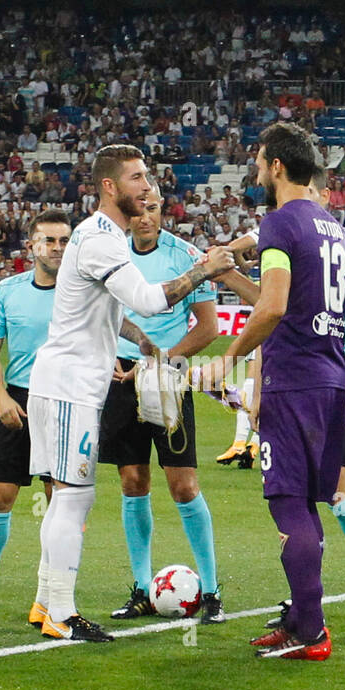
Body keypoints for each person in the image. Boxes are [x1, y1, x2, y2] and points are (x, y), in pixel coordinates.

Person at [26, 144, 235, 642]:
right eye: (137, 177)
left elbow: (108, 307)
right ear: (109, 187)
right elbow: (145, 298)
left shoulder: (102, 237)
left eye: (148, 176)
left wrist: (141, 341)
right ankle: (61, 611)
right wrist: (206, 269)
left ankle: (44, 602)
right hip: (69, 386)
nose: (147, 186)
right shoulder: (102, 238)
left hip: (71, 384)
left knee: (65, 499)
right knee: (74, 498)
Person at [217, 166, 345, 632]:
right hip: (305, 366)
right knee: (311, 495)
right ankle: (304, 605)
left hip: (337, 368)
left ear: (324, 194)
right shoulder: (304, 236)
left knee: (331, 491)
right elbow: (277, 311)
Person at [202, 122, 345, 661]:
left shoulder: (281, 223)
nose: (257, 170)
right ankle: (305, 620)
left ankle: (311, 635)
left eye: (261, 161)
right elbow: (279, 297)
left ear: (278, 167)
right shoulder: (328, 225)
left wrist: (228, 358)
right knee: (307, 504)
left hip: (294, 382)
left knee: (287, 505)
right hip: (328, 379)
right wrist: (233, 272)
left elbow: (274, 307)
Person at [103, 184, 225, 624]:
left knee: (183, 486)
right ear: (128, 212)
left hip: (167, 381)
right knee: (133, 481)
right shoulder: (111, 253)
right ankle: (140, 589)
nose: (146, 217)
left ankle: (211, 592)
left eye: (153, 209)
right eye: (139, 209)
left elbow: (208, 328)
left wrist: (160, 362)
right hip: (118, 377)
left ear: (162, 212)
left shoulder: (186, 257)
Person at [0, 209, 70, 610]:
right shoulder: (6, 291)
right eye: (50, 240)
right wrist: (2, 399)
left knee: (60, 499)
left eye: (64, 241)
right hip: (19, 401)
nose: (57, 248)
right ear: (32, 246)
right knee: (0, 495)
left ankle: (52, 588)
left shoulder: (81, 290)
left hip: (64, 401)